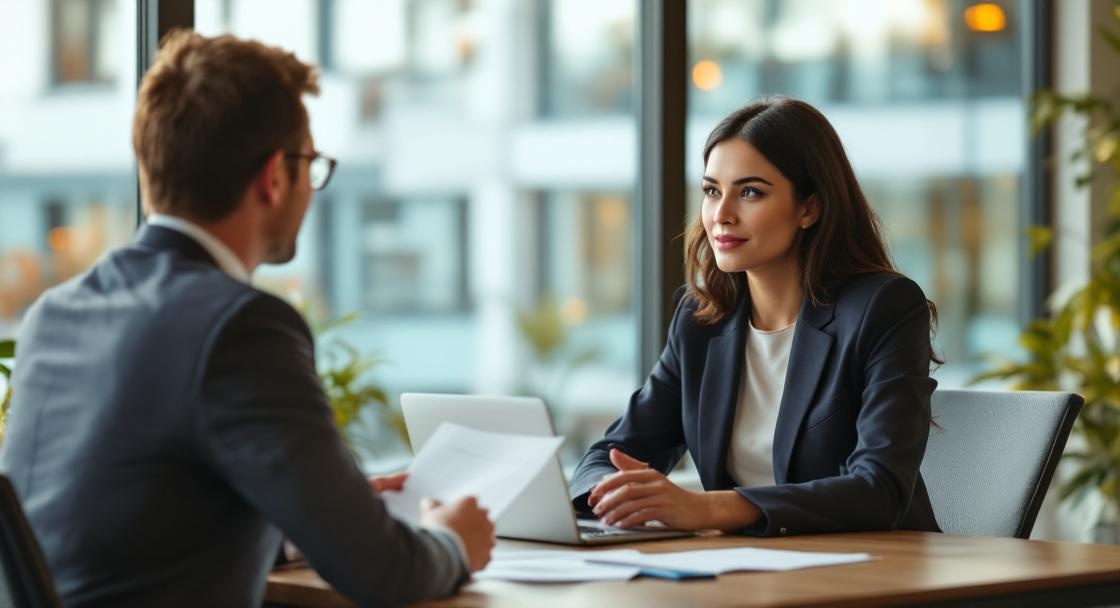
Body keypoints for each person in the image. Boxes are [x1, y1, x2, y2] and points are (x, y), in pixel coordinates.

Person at [0, 30, 493, 607]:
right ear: (274, 176)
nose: (312, 187)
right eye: (311, 163)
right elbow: (385, 575)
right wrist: (452, 540)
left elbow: (122, 530)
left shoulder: (57, 313)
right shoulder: (242, 328)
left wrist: (309, 515)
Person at [568, 97, 941, 537]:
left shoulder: (883, 308)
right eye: (711, 191)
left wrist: (710, 509)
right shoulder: (699, 319)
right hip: (749, 570)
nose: (721, 215)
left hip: (878, 572)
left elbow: (879, 490)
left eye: (750, 192)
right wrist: (614, 493)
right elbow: (608, 453)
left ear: (810, 208)